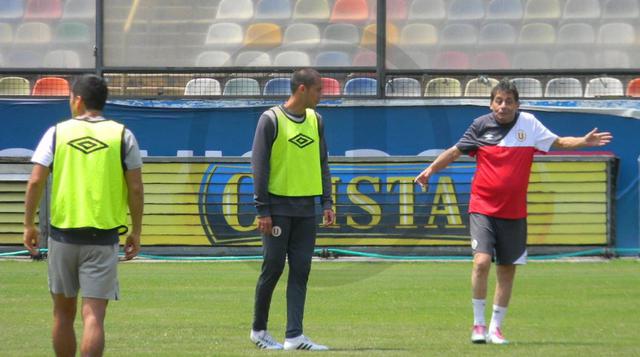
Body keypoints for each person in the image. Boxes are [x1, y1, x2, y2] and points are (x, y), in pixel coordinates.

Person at [414, 79, 612, 345]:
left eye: (509, 101)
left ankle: (496, 328)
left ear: (517, 104)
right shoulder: (480, 125)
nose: (503, 106)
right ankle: (478, 324)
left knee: (507, 270)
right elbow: (454, 152)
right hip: (482, 206)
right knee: (481, 262)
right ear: (491, 104)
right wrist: (429, 170)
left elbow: (560, 142)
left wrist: (584, 141)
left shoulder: (529, 124)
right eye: (498, 101)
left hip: (514, 211)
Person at [23, 74, 144, 357]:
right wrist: (136, 231)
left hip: (63, 236)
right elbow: (136, 188)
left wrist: (29, 224)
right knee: (94, 317)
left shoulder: (56, 132)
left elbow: (35, 181)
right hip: (103, 238)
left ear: (77, 101)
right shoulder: (123, 134)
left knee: (62, 316)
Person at [250, 68, 335, 351]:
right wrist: (263, 209)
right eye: (318, 90)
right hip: (276, 209)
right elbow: (259, 167)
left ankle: (294, 336)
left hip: (306, 209)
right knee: (272, 268)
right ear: (302, 89)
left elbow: (322, 162)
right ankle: (259, 330)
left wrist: (327, 201)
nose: (322, 95)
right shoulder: (270, 120)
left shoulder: (317, 120)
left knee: (301, 270)